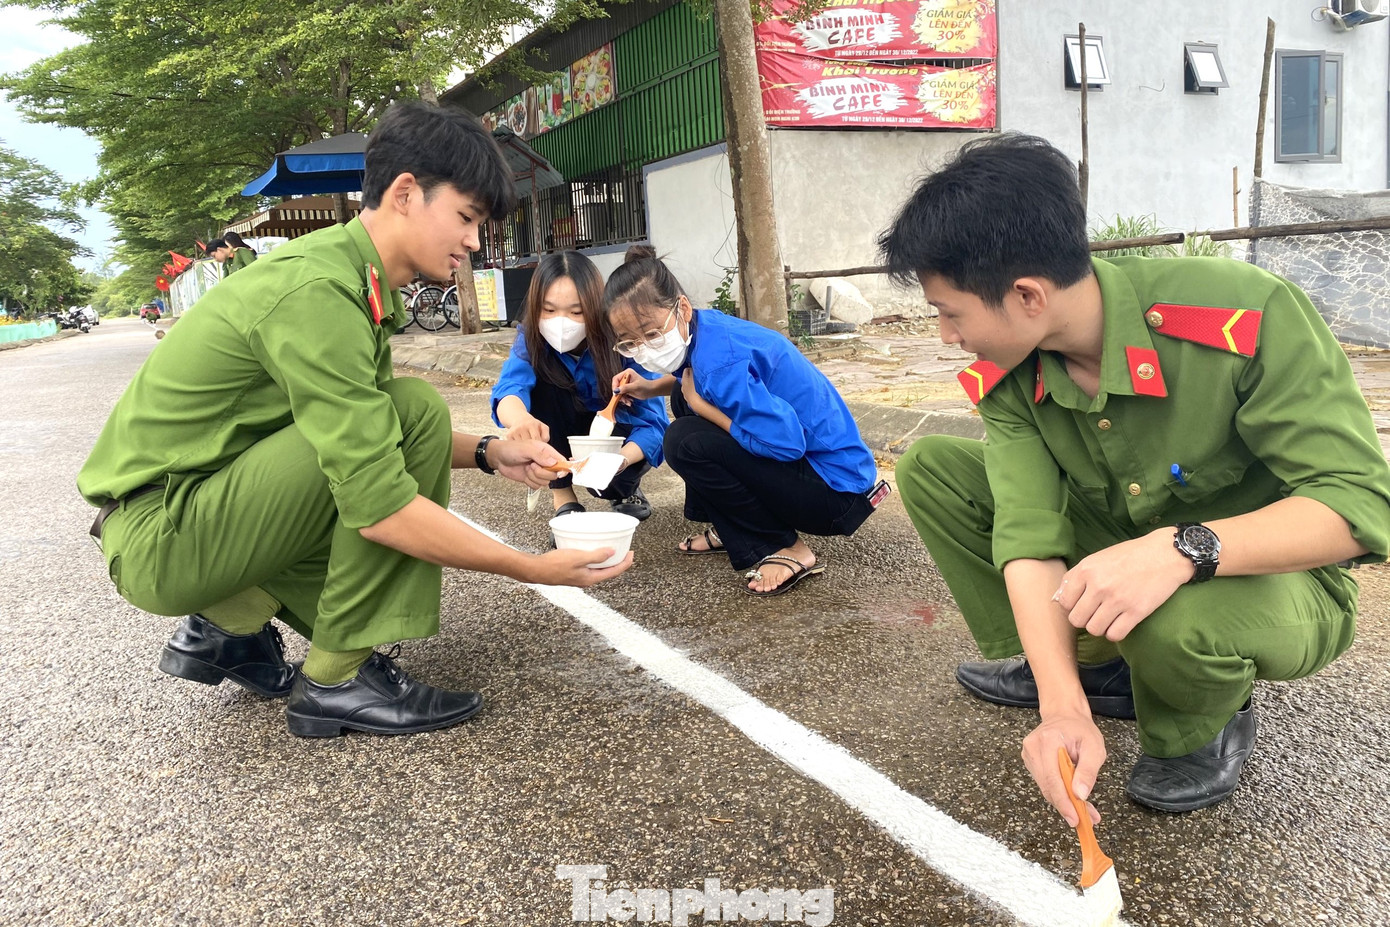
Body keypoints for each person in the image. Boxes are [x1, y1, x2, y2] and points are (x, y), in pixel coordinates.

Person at [78, 101, 633, 739]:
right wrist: (530, 568)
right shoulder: (319, 292)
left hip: (190, 514)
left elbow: (368, 426)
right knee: (404, 428)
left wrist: (490, 452)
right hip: (162, 538)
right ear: (405, 194)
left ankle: (229, 624)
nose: (474, 242)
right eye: (466, 217)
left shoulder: (349, 278)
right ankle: (335, 681)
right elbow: (380, 503)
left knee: (405, 413)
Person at [880, 133, 1390, 816]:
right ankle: (1094, 670)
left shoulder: (1241, 317)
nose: (947, 335)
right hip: (1124, 536)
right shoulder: (1011, 370)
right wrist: (1062, 706)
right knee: (935, 469)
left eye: (950, 313)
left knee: (1171, 609)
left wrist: (1184, 549)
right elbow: (1029, 534)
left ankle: (1203, 719)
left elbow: (1360, 505)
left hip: (1276, 574)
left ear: (1027, 294)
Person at [602, 245, 885, 596]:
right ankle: (733, 526)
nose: (644, 348)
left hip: (836, 494)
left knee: (683, 440)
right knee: (682, 399)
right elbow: (694, 377)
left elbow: (786, 444)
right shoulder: (705, 330)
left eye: (651, 334)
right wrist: (650, 387)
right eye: (630, 343)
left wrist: (702, 407)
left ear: (682, 308)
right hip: (833, 475)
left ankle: (784, 547)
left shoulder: (720, 363)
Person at [491, 250, 667, 521]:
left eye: (576, 312)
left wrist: (618, 460)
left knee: (608, 484)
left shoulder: (623, 338)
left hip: (614, 437)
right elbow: (510, 388)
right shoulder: (531, 340)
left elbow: (654, 424)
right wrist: (521, 421)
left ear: (595, 307)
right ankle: (563, 496)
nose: (561, 323)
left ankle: (625, 490)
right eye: (549, 310)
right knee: (542, 390)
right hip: (562, 429)